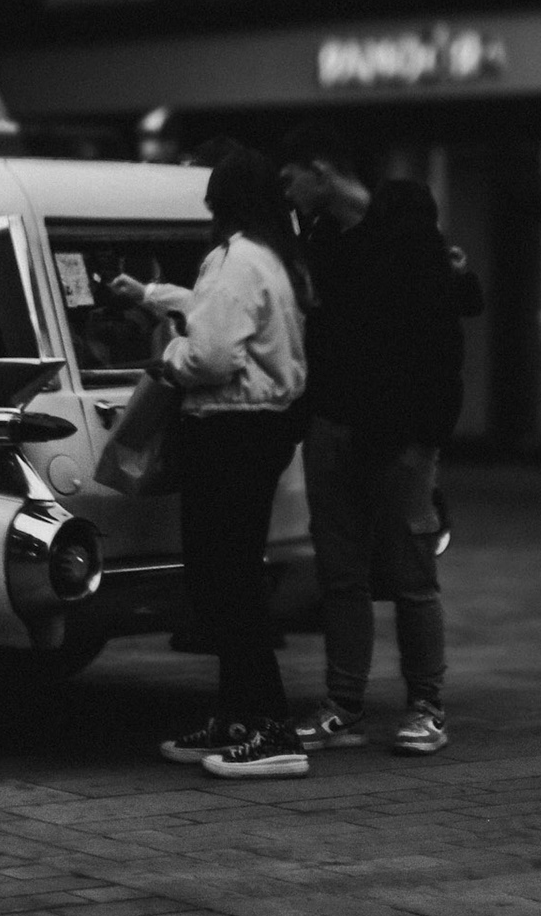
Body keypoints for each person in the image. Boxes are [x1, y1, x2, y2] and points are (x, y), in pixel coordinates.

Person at [278, 126, 484, 758]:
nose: (288, 192)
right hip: (336, 427)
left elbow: (440, 343)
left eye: (291, 178)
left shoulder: (403, 235)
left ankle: (422, 707)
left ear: (321, 170)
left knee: (409, 574)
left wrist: (422, 437)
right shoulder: (321, 241)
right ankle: (348, 706)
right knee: (343, 576)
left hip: (396, 437)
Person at [110, 144, 311, 779]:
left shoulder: (234, 258)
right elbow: (216, 309)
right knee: (230, 575)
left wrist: (168, 355)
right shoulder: (267, 256)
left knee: (225, 581)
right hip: (261, 431)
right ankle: (238, 717)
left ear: (220, 201)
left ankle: (272, 728)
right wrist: (151, 293)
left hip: (230, 432)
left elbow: (212, 356)